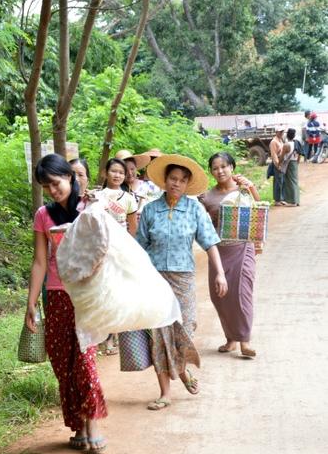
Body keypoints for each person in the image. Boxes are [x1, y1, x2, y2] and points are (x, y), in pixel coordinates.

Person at [24, 154, 107, 454]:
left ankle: (94, 423)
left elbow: (105, 251)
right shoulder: (42, 216)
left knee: (84, 361)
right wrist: (31, 303)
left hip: (86, 295)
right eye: (46, 186)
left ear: (70, 178)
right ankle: (79, 425)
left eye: (56, 183)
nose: (53, 190)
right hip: (56, 296)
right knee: (62, 364)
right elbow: (39, 262)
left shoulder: (90, 207)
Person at [136, 154, 228, 410]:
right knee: (159, 335)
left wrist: (220, 273)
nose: (176, 184)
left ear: (187, 184)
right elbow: (139, 247)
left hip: (183, 277)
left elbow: (209, 243)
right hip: (154, 280)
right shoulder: (151, 210)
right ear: (164, 181)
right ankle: (165, 392)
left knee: (184, 330)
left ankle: (183, 370)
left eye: (181, 180)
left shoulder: (195, 209)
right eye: (172, 179)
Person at [199, 152, 259, 358]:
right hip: (218, 251)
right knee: (221, 296)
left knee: (242, 294)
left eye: (224, 166)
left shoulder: (243, 188)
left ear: (232, 167)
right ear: (211, 172)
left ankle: (245, 341)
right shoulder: (207, 196)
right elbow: (202, 222)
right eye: (215, 168)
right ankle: (231, 338)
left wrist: (250, 187)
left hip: (242, 247)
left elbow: (258, 210)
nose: (220, 171)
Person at [96, 158, 138, 355]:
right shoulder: (97, 196)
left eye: (121, 172)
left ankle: (114, 335)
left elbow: (133, 228)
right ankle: (105, 336)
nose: (117, 175)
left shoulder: (129, 199)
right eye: (113, 171)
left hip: (120, 252)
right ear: (106, 172)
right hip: (101, 251)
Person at [115, 149, 151, 215]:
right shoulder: (116, 189)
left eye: (132, 169)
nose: (130, 173)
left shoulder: (148, 185)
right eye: (126, 170)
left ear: (136, 168)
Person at [279, 129, 300, 206]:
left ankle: (292, 201)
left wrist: (279, 163)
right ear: (294, 136)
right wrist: (297, 162)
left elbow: (282, 156)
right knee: (295, 181)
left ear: (287, 135)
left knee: (290, 182)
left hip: (289, 164)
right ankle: (297, 200)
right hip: (294, 163)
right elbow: (299, 153)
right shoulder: (296, 143)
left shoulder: (286, 145)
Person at [269, 127, 286, 205]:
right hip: (278, 162)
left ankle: (281, 198)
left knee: (282, 181)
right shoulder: (273, 142)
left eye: (282, 131)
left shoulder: (281, 140)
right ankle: (277, 200)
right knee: (278, 181)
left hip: (282, 162)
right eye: (280, 132)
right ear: (276, 132)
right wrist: (277, 165)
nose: (281, 133)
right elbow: (274, 154)